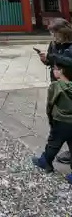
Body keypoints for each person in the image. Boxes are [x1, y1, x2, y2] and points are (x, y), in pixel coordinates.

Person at [32, 54, 72, 185]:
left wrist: (51, 119)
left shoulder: (56, 86)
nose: (53, 70)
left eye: (54, 68)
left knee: (53, 143)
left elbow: (50, 104)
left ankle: (46, 162)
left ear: (61, 71)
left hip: (60, 121)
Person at [38, 18, 72, 165]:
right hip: (57, 86)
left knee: (63, 122)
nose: (53, 36)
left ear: (63, 32)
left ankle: (46, 159)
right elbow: (52, 60)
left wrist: (52, 57)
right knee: (61, 120)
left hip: (69, 87)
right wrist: (45, 59)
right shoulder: (53, 44)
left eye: (55, 33)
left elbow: (69, 61)